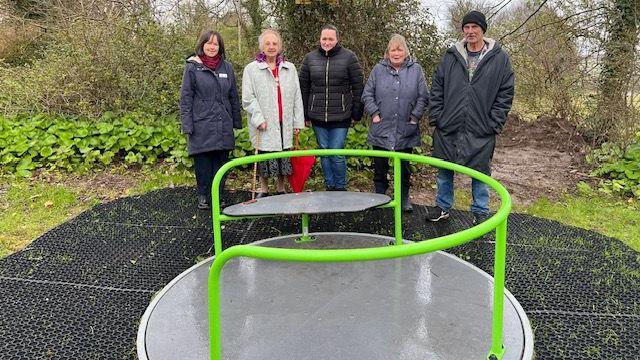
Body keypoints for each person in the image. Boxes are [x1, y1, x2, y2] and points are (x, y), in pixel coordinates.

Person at [426, 10, 514, 224]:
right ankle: (443, 207)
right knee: (445, 168)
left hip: (481, 126)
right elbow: (437, 86)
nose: (470, 31)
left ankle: (480, 212)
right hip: (449, 124)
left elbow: (506, 91)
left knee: (480, 171)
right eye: (467, 27)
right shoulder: (451, 56)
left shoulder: (499, 58)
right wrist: (437, 116)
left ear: (483, 30)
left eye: (475, 27)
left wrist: (494, 122)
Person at [362, 34, 429, 212]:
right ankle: (379, 196)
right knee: (380, 167)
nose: (396, 53)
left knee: (404, 167)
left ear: (405, 51)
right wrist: (375, 114)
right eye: (393, 49)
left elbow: (423, 96)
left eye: (400, 49)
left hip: (406, 128)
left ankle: (403, 197)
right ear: (387, 52)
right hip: (381, 127)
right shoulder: (378, 70)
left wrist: (414, 117)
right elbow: (367, 94)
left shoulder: (416, 70)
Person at [179, 30, 242, 210]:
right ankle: (203, 196)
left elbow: (233, 96)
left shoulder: (227, 67)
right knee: (204, 164)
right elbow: (186, 98)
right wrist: (187, 125)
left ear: (220, 46)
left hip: (223, 124)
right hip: (201, 124)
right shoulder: (192, 67)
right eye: (209, 43)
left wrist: (236, 121)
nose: (212, 47)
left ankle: (219, 195)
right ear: (202, 45)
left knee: (221, 163)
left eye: (216, 44)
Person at [299, 24, 364, 191]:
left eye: (330, 39)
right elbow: (303, 88)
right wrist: (304, 114)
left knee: (336, 152)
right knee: (324, 152)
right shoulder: (310, 58)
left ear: (337, 39)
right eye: (324, 38)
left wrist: (357, 113)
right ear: (320, 39)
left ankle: (340, 187)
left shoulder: (349, 57)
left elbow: (358, 86)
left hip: (341, 115)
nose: (327, 42)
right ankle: (329, 185)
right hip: (317, 115)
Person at [242, 29, 304, 197]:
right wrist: (258, 118)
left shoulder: (289, 68)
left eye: (274, 43)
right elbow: (248, 98)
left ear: (279, 46)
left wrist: (298, 122)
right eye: (267, 43)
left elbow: (297, 96)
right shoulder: (252, 69)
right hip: (264, 120)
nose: (271, 47)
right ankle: (263, 188)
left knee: (284, 154)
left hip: (285, 120)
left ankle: (281, 187)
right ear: (261, 46)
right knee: (264, 154)